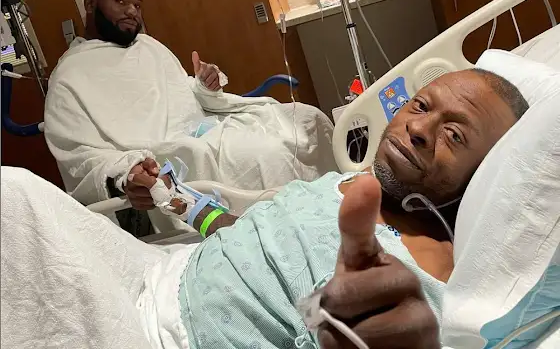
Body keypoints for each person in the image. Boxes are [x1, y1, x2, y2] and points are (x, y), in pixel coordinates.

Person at [2, 69, 529, 348]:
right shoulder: (351, 185)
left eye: (454, 135)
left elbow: (322, 316)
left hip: (162, 335)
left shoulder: (418, 268)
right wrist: (185, 204)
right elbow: (256, 236)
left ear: (486, 174)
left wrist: (333, 317)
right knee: (17, 193)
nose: (418, 128)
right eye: (420, 105)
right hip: (157, 273)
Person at [44, 0, 336, 217]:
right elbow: (80, 157)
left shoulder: (149, 46)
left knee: (305, 118)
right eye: (120, 1)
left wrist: (205, 86)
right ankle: (296, 225)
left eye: (137, 5)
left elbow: (180, 95)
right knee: (267, 153)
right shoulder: (70, 75)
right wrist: (124, 173)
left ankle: (334, 207)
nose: (132, 11)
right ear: (90, 4)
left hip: (206, 127)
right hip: (170, 154)